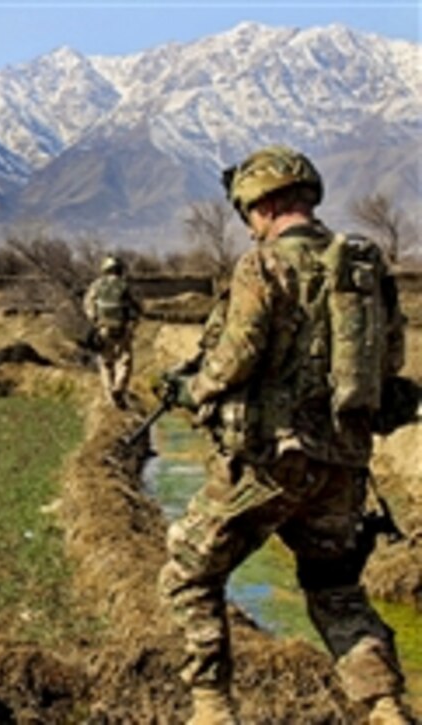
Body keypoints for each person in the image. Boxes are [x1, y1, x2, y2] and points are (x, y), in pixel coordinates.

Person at [157, 146, 412, 724]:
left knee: (188, 573)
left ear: (262, 203)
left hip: (272, 462)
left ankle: (211, 707)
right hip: (344, 464)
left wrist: (191, 390)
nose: (248, 223)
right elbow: (389, 359)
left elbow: (237, 354)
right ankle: (387, 708)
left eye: (248, 211)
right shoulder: (364, 267)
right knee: (335, 590)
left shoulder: (263, 265)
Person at [82, 256, 142, 408]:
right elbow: (136, 307)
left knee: (106, 363)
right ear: (119, 269)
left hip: (103, 330)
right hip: (122, 330)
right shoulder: (124, 285)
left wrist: (95, 321)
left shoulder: (96, 285)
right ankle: (119, 388)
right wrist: (134, 324)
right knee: (124, 361)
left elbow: (88, 304)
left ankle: (110, 396)